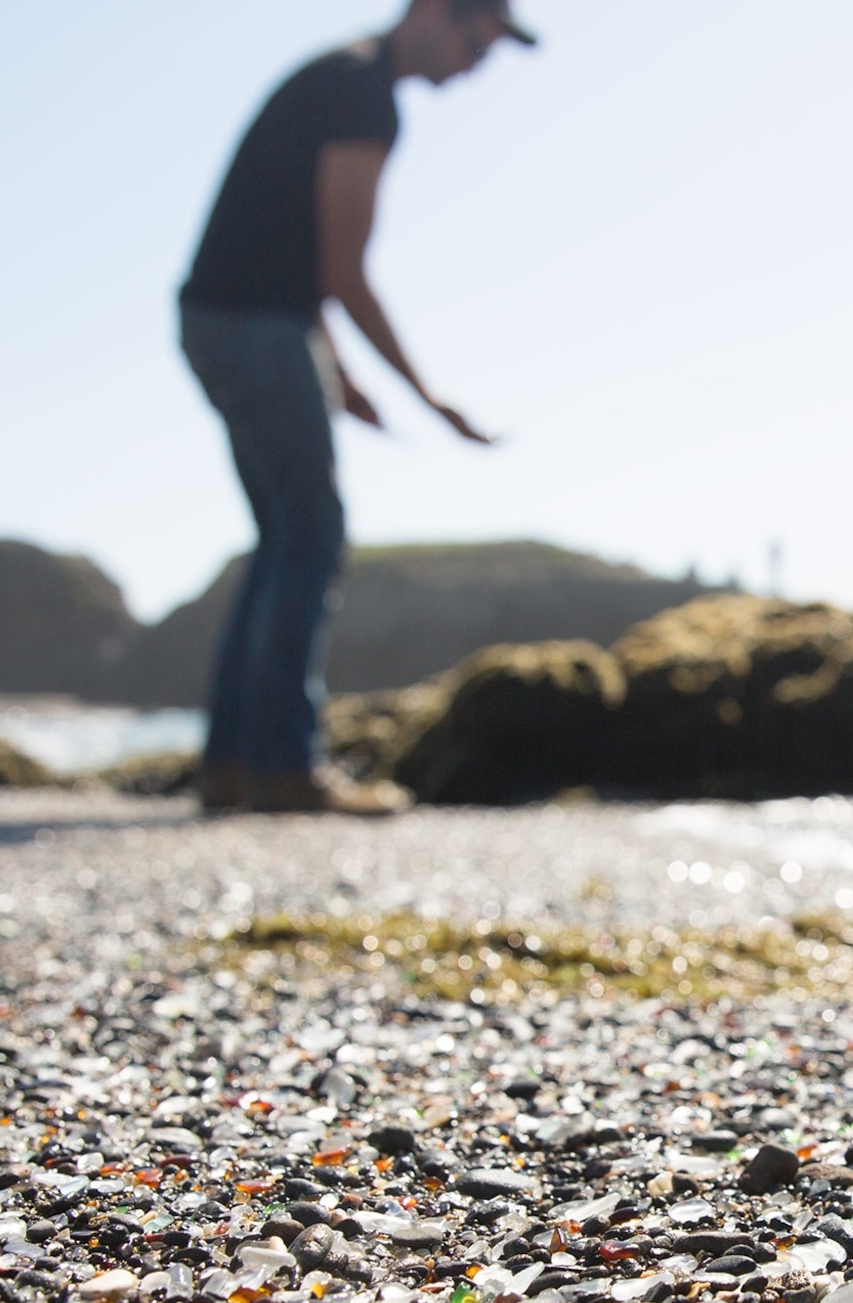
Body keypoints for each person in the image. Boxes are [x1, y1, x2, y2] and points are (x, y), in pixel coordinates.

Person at [179, 0, 534, 815]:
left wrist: (336, 369)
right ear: (439, 13)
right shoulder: (362, 93)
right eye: (478, 43)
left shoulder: (339, 74)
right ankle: (281, 767)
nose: (477, 66)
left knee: (281, 539)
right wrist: (429, 395)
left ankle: (232, 768)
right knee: (311, 534)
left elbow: (290, 251)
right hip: (253, 327)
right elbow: (343, 269)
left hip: (228, 319)